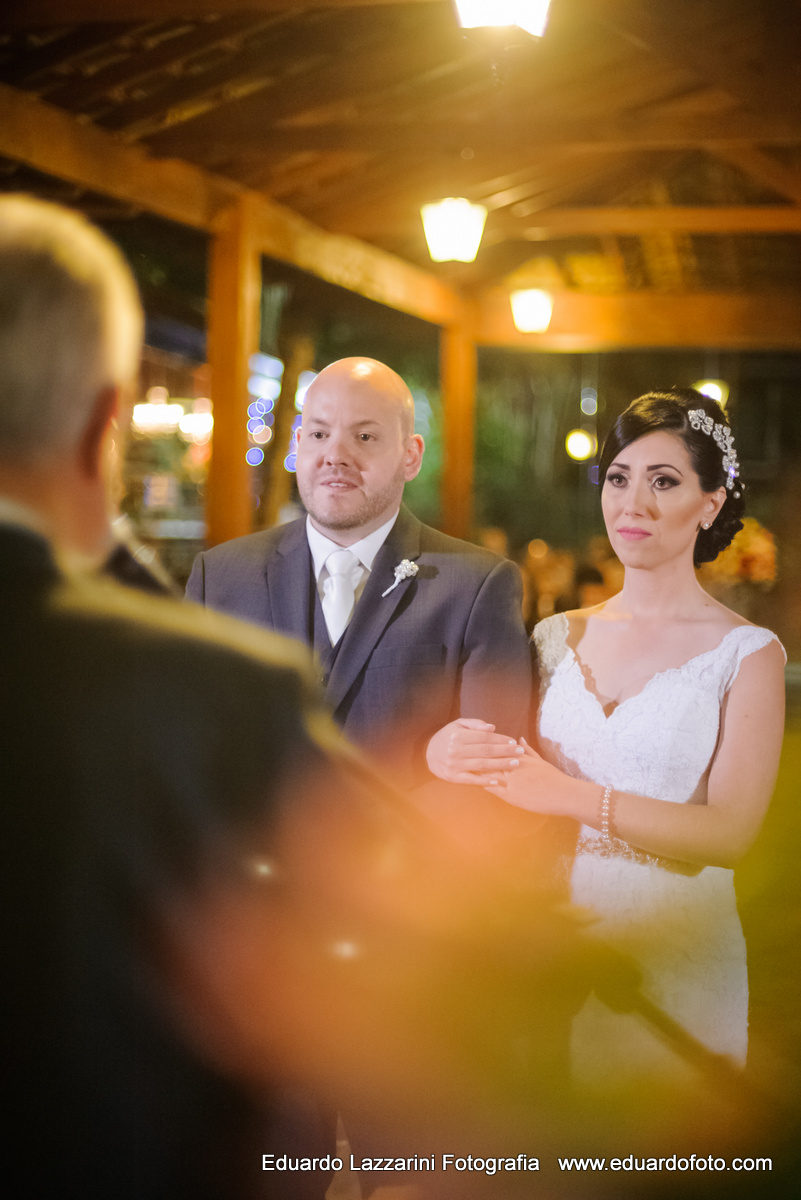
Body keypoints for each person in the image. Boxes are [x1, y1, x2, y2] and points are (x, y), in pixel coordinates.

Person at [431, 388, 786, 1087]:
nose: (633, 503)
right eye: (619, 478)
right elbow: (499, 774)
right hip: (545, 939)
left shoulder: (747, 654)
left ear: (710, 503)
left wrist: (568, 796)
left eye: (664, 482)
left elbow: (729, 834)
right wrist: (443, 750)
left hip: (674, 948)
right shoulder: (551, 637)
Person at [185, 357, 532, 792]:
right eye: (318, 434)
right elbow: (187, 749)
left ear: (410, 456)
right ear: (298, 444)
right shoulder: (219, 578)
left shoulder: (477, 585)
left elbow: (492, 780)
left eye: (364, 437)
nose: (335, 455)